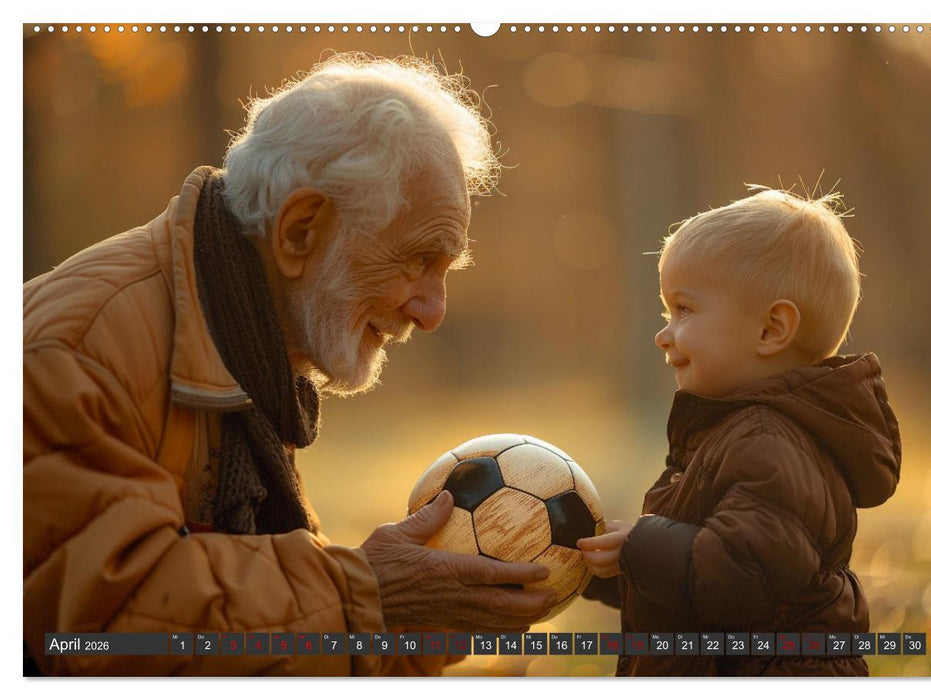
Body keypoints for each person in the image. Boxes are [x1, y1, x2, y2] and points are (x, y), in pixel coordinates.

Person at [23, 53, 557, 676]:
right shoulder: (79, 350)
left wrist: (424, 620)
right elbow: (103, 633)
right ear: (300, 231)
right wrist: (368, 592)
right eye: (417, 260)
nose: (434, 311)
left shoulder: (240, 340)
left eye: (446, 269)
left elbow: (255, 634)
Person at [577, 187, 902, 676]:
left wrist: (642, 547)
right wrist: (614, 566)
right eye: (667, 312)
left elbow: (744, 576)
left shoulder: (770, 442)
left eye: (684, 309)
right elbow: (696, 588)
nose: (663, 334)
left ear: (771, 329)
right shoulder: (742, 434)